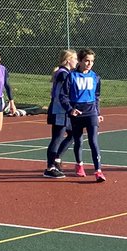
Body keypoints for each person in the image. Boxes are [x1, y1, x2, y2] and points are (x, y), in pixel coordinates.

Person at [67, 48, 105, 181]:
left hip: (91, 112)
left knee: (93, 141)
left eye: (92, 61)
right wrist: (70, 109)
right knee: (78, 140)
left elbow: (97, 96)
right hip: (77, 112)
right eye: (87, 61)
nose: (89, 64)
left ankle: (98, 171)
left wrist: (98, 112)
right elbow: (63, 96)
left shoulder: (95, 77)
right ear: (80, 61)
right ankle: (79, 165)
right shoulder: (71, 76)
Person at [44, 49, 78, 177]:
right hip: (59, 110)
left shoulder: (65, 73)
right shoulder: (63, 74)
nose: (77, 61)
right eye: (75, 58)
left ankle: (57, 158)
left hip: (65, 110)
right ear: (68, 60)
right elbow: (62, 95)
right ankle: (50, 168)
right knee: (57, 138)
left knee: (73, 134)